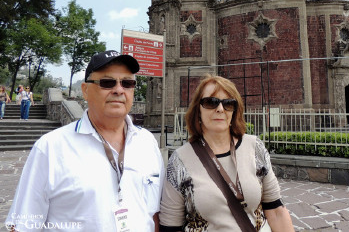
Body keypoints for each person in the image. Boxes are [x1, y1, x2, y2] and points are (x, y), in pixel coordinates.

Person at [6, 50, 164, 231]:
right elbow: (23, 224)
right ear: (86, 90)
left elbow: (153, 215)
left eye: (127, 83)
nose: (119, 90)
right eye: (107, 82)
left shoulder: (147, 143)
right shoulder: (51, 147)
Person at [159, 75, 294, 231]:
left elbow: (276, 211)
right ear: (198, 110)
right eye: (211, 102)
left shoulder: (254, 147)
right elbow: (170, 227)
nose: (220, 109)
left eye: (228, 104)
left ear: (234, 111)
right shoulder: (180, 160)